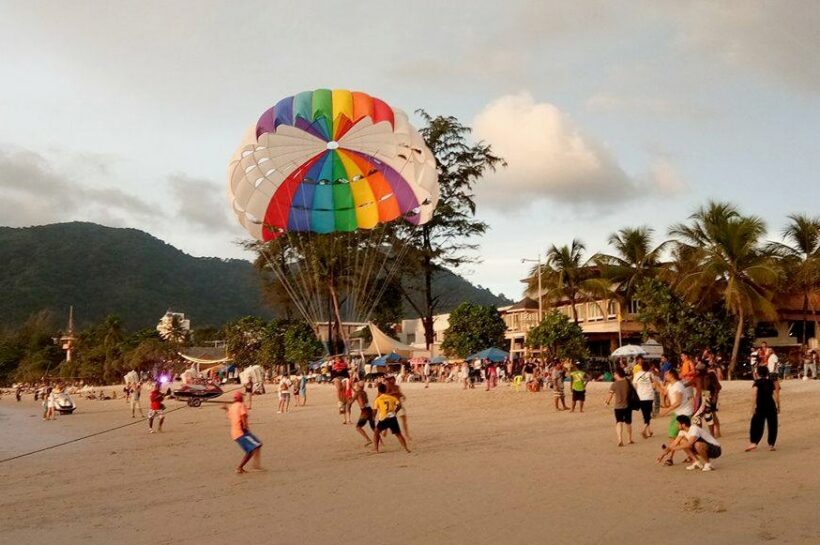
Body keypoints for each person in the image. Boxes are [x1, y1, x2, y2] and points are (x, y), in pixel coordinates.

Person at [656, 415, 721, 471]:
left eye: (678, 423)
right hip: (703, 448)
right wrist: (663, 455)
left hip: (715, 449)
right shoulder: (682, 432)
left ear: (683, 425)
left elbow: (689, 444)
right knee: (682, 442)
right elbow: (674, 443)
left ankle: (708, 464)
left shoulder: (694, 429)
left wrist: (675, 448)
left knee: (697, 444)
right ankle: (696, 462)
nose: (677, 425)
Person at [658, 369, 694, 465]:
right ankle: (690, 455)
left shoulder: (678, 386)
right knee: (677, 436)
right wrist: (657, 386)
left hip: (684, 413)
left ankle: (670, 457)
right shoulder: (671, 385)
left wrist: (666, 411)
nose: (665, 375)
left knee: (674, 435)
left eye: (666, 374)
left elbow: (677, 402)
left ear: (671, 375)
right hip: (677, 412)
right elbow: (664, 392)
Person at [225, 391, 262, 473]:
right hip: (241, 431)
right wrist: (245, 427)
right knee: (255, 446)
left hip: (235, 433)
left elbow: (230, 416)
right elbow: (243, 416)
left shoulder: (232, 406)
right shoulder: (241, 405)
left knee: (254, 447)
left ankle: (250, 466)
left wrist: (226, 409)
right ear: (240, 398)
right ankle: (248, 467)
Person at [745, 366, 780, 452]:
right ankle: (771, 444)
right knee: (772, 425)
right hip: (771, 405)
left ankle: (754, 442)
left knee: (756, 424)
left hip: (760, 406)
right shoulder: (770, 382)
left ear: (758, 374)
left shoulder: (757, 383)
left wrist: (752, 407)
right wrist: (778, 405)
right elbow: (776, 394)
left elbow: (754, 395)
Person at [372, 383, 410, 453]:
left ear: (378, 391)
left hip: (383, 418)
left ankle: (376, 449)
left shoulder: (378, 399)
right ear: (386, 390)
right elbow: (399, 405)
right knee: (398, 434)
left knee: (376, 432)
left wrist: (372, 418)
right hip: (392, 417)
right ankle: (406, 448)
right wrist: (395, 412)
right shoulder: (392, 398)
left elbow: (374, 411)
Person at [605, 368, 633, 447]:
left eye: (614, 374)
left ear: (617, 374)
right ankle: (629, 439)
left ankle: (620, 439)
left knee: (619, 422)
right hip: (627, 405)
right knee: (628, 423)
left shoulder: (614, 384)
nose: (614, 375)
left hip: (618, 407)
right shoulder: (628, 383)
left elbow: (610, 395)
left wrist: (607, 402)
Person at [632, 357, 658, 438]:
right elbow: (654, 384)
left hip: (641, 396)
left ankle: (649, 431)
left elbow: (635, 385)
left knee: (645, 414)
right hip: (649, 395)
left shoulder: (637, 374)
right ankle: (644, 430)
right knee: (648, 413)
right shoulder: (650, 374)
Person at [385, 375, 410, 440]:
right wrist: (393, 393)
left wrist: (402, 395)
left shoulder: (397, 386)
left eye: (393, 379)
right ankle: (385, 430)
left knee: (404, 420)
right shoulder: (388, 386)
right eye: (391, 379)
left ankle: (407, 434)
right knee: (389, 419)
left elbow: (400, 393)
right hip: (392, 406)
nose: (393, 380)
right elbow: (385, 395)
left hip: (399, 405)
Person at [352, 381, 375, 447]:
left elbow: (352, 401)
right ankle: (381, 442)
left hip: (364, 411)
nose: (355, 386)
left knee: (358, 427)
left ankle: (368, 440)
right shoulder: (363, 392)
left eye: (356, 385)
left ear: (358, 386)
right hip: (369, 409)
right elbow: (358, 392)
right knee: (373, 427)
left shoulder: (357, 393)